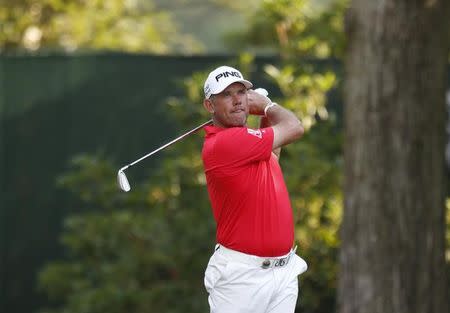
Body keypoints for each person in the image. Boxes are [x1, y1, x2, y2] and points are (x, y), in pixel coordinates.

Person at [201, 65, 308, 313]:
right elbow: (294, 127)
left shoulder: (248, 144)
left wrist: (264, 116)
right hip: (241, 279)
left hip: (283, 272)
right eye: (227, 95)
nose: (237, 100)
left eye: (241, 92)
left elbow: (271, 156)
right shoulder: (224, 143)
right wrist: (268, 106)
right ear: (210, 106)